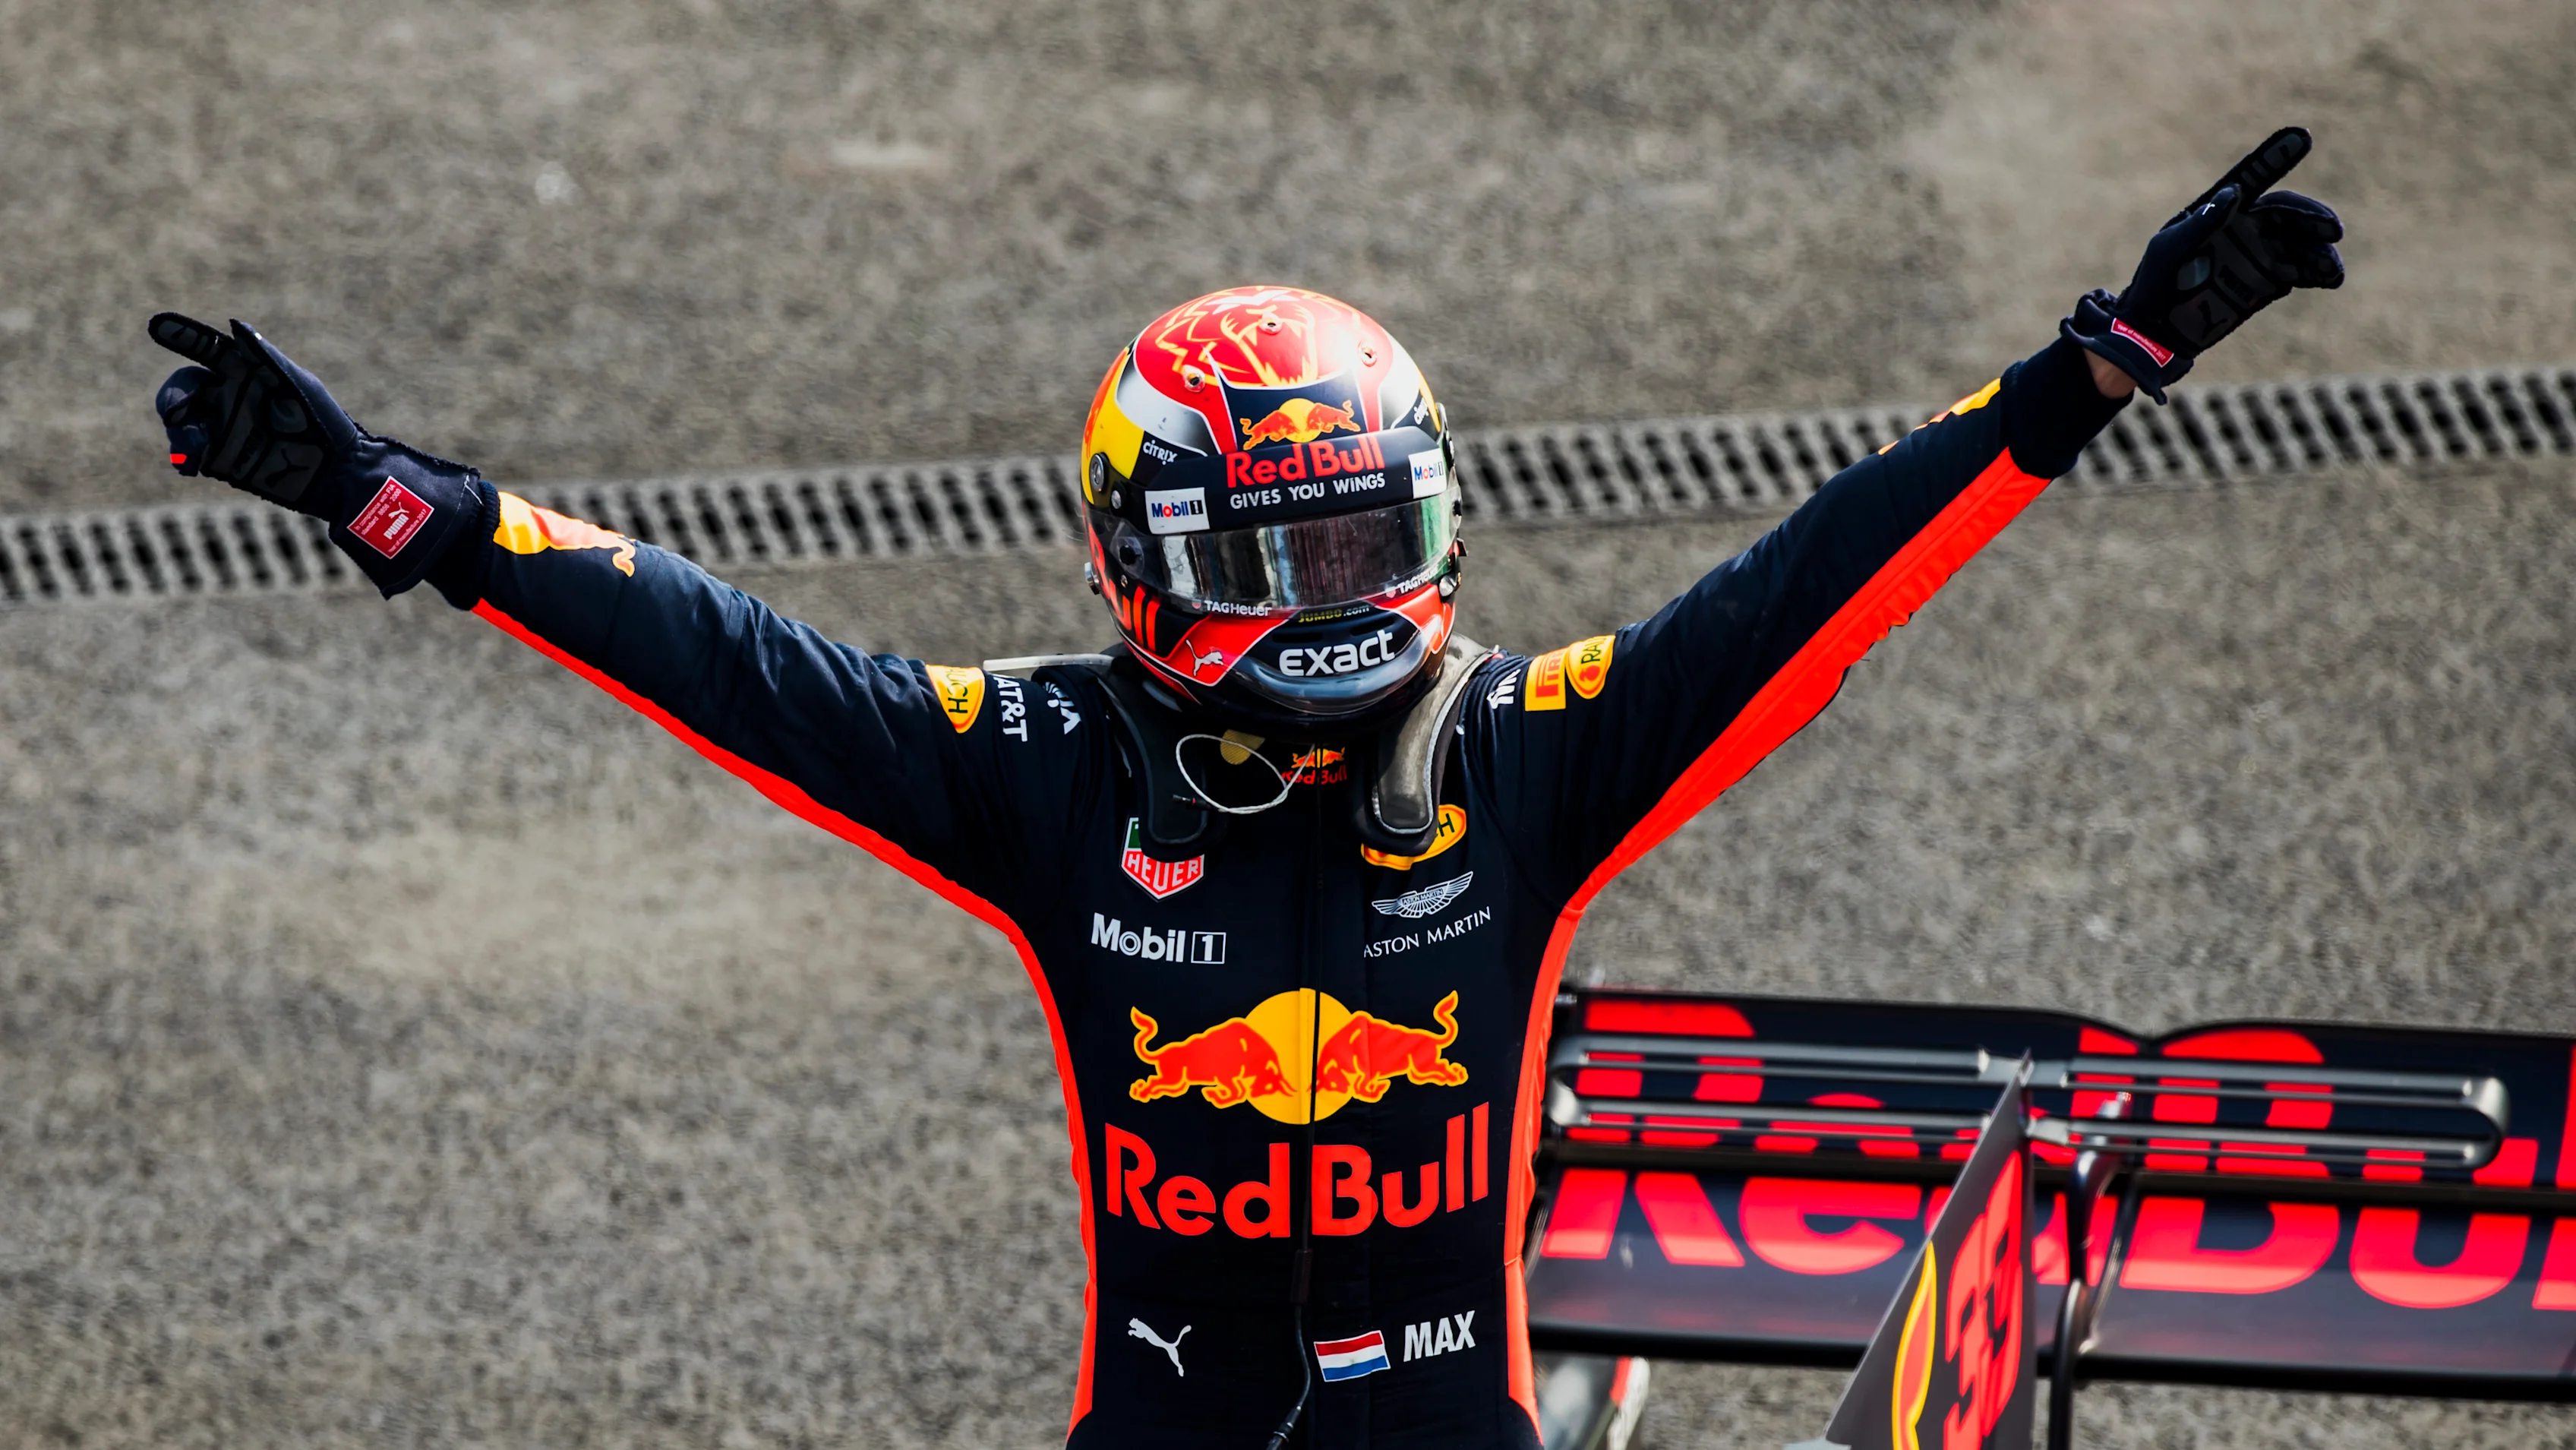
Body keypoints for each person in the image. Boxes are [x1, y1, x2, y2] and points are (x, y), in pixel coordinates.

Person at [146, 130, 2341, 1449]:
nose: (1331, 601)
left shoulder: (1534, 753)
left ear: (1440, 518)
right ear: (1140, 561)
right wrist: (396, 504)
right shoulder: (1031, 774)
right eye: (1272, 558)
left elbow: (1808, 592)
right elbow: (717, 652)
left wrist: (2097, 369)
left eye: (1364, 544)